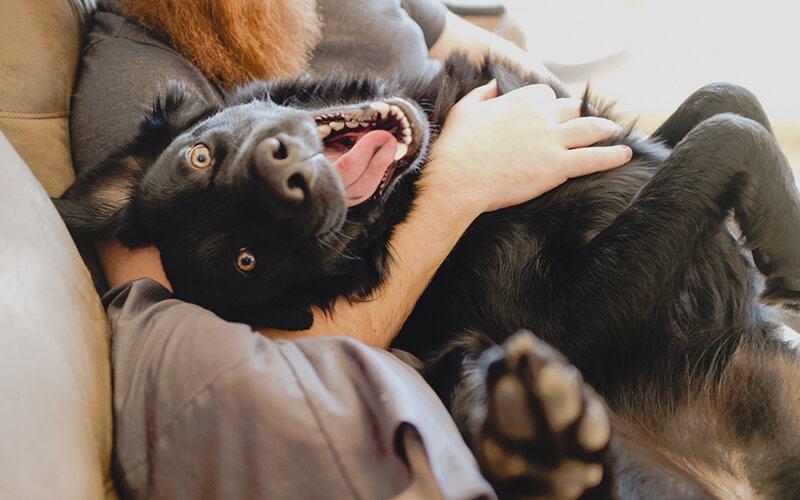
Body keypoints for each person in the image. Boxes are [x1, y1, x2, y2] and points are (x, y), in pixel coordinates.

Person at [70, 0, 632, 498]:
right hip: (488, 288)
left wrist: (590, 139)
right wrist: (461, 181)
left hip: (557, 189)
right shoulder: (132, 72)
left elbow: (467, 42)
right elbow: (247, 361)